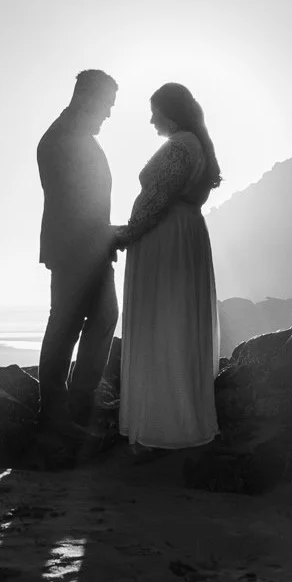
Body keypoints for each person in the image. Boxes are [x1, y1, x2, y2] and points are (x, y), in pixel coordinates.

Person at [113, 82, 222, 451]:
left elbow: (157, 198)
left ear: (170, 111)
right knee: (178, 319)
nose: (150, 119)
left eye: (154, 111)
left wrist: (125, 234)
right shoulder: (198, 144)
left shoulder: (180, 147)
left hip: (166, 236)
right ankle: (177, 415)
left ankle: (164, 422)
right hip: (185, 233)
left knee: (161, 320)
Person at [34, 69, 121, 439]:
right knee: (66, 324)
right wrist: (110, 234)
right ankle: (54, 412)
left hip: (91, 246)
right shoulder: (62, 139)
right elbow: (71, 203)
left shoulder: (75, 136)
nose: (109, 114)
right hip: (75, 249)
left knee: (102, 316)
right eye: (106, 105)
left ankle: (80, 400)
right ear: (87, 97)